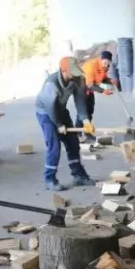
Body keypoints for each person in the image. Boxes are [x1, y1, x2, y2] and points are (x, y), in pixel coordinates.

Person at [36, 57, 95, 191]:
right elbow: (50, 107)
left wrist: (85, 120)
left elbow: (80, 101)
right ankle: (49, 179)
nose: (75, 74)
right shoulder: (52, 83)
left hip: (61, 110)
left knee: (73, 143)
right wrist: (58, 125)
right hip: (45, 113)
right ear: (63, 71)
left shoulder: (77, 79)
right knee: (54, 146)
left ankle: (79, 175)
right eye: (72, 72)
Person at [81, 50, 119, 125]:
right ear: (100, 59)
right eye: (105, 63)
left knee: (90, 109)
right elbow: (90, 84)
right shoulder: (91, 66)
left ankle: (87, 130)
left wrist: (110, 80)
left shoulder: (105, 66)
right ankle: (81, 131)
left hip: (90, 89)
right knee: (83, 111)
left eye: (108, 63)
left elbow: (101, 79)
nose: (106, 65)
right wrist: (103, 91)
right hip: (81, 87)